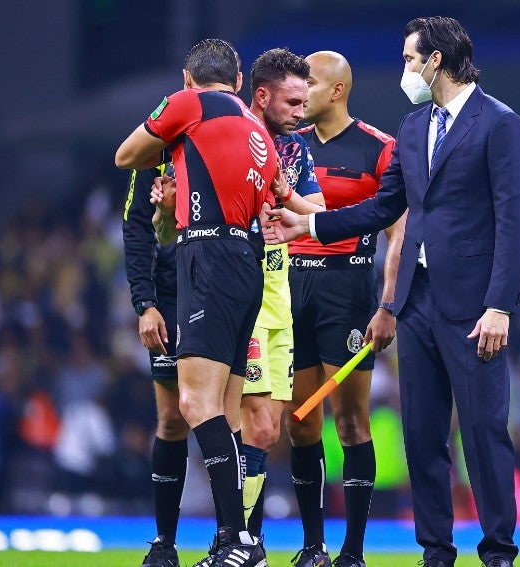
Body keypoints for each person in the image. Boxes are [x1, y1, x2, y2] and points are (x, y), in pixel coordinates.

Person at [264, 19, 520, 567]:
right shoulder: (413, 126)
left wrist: (500, 304)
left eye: (412, 59)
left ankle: (498, 551)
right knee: (421, 433)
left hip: (476, 303)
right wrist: (310, 228)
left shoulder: (499, 122)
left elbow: (515, 220)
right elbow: (383, 208)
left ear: (436, 61)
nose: (406, 69)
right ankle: (436, 549)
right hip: (417, 299)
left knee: (482, 431)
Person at [116, 38, 276, 567]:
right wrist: (146, 301)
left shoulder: (188, 114)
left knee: (195, 407)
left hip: (206, 266)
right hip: (210, 275)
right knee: (200, 416)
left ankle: (236, 539)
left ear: (188, 81)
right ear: (237, 83)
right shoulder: (251, 133)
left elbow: (125, 156)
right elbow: (148, 227)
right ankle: (201, 541)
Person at [283, 50, 403, 567]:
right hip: (290, 287)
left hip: (348, 288)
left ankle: (352, 551)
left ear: (336, 91)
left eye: (306, 83)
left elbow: (398, 232)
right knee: (300, 423)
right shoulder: (286, 147)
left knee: (351, 422)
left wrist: (388, 303)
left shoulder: (380, 149)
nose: (298, 93)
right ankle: (313, 547)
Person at [241, 47, 324, 539]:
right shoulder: (235, 138)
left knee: (269, 432)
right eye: (292, 103)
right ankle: (239, 537)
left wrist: (284, 197)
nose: (300, 114)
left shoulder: (295, 149)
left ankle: (243, 538)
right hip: (244, 292)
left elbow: (315, 210)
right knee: (247, 425)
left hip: (281, 293)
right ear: (262, 95)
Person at [122, 158, 190, 567]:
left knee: (237, 418)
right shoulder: (156, 148)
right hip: (171, 296)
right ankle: (165, 542)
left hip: (226, 290)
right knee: (171, 420)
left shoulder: (241, 131)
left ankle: (237, 540)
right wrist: (144, 303)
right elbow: (136, 225)